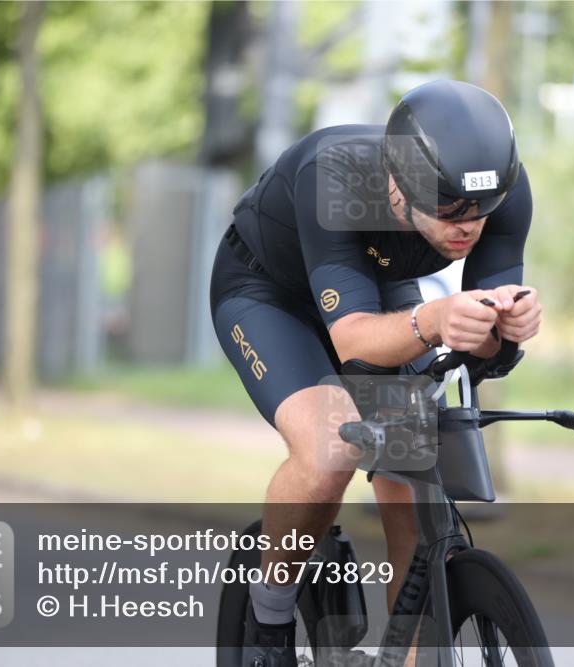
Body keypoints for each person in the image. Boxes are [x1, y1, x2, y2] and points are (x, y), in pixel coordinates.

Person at [209, 79, 542, 666]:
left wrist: (505, 332)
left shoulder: (498, 193)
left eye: (481, 212)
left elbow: (481, 349)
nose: (468, 225)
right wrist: (437, 318)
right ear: (397, 187)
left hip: (379, 289)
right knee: (329, 448)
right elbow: (353, 339)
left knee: (415, 472)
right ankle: (268, 619)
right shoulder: (332, 176)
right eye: (449, 209)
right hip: (268, 293)